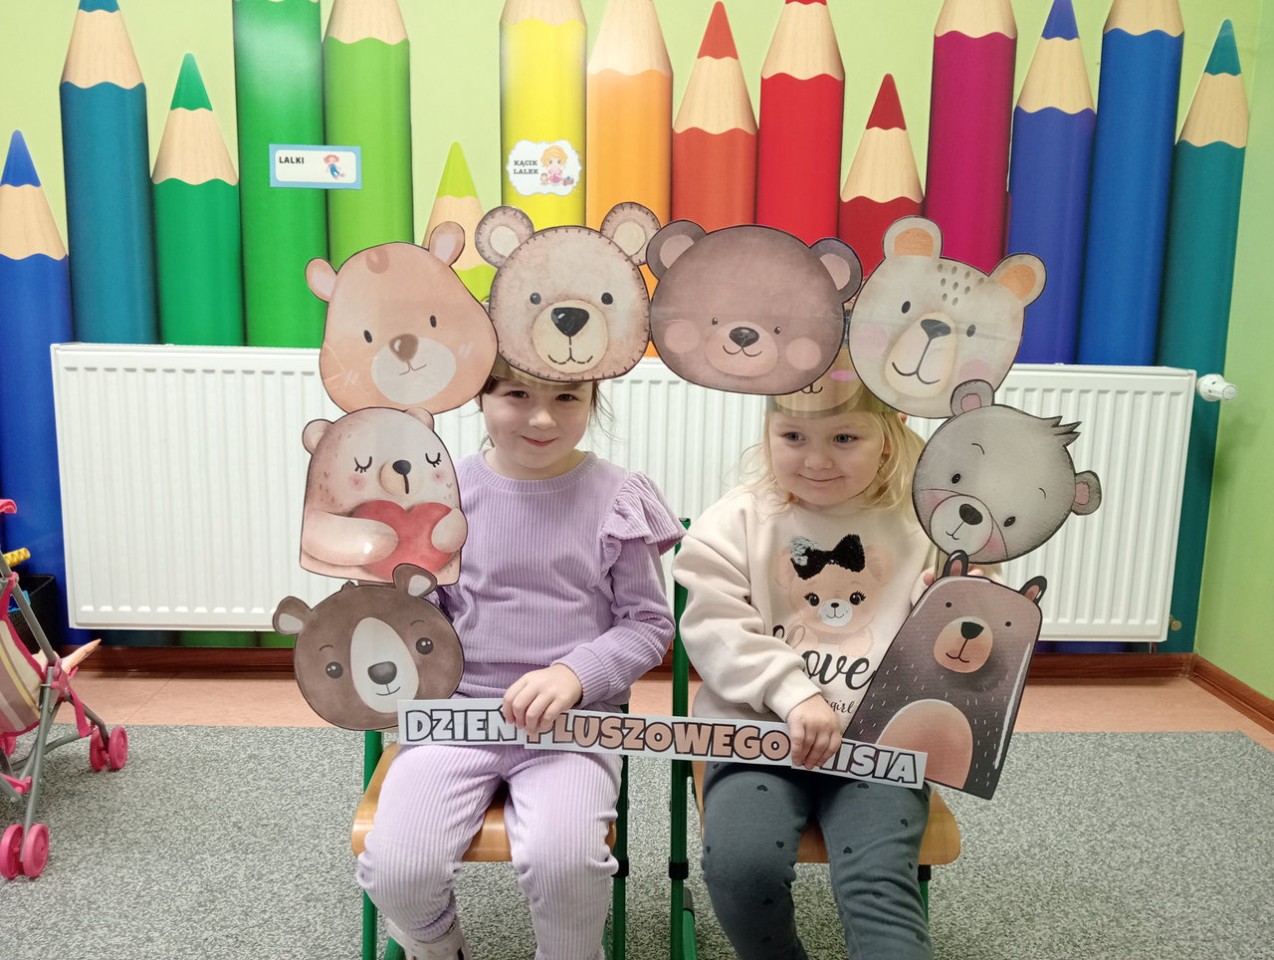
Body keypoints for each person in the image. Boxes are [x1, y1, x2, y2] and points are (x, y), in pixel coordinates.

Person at [357, 357, 683, 960]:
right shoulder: (443, 495)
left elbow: (648, 624)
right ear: (479, 397)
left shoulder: (616, 496)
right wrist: (378, 601)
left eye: (567, 398)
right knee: (398, 871)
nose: (542, 418)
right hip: (455, 720)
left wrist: (574, 674)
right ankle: (437, 945)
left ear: (593, 400)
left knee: (567, 865)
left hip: (571, 728)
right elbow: (419, 619)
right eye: (516, 395)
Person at [672, 354, 938, 960]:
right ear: (768, 431)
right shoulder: (736, 520)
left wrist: (956, 600)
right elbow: (715, 630)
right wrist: (794, 694)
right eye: (793, 436)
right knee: (742, 870)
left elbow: (968, 642)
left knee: (877, 884)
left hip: (879, 746)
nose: (817, 460)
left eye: (844, 438)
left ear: (889, 434)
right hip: (758, 737)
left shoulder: (925, 522)